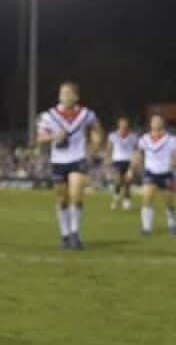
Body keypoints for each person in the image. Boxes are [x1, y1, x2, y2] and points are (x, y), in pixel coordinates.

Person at [36, 82, 102, 250]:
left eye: (68, 93)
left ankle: (75, 234)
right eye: (62, 92)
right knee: (61, 199)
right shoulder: (49, 115)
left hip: (78, 158)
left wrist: (94, 146)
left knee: (76, 195)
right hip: (58, 161)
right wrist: (53, 136)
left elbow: (96, 129)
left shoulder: (86, 114)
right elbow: (40, 137)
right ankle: (64, 236)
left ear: (76, 96)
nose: (64, 95)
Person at [130, 114, 176, 236]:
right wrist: (132, 169)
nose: (156, 123)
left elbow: (174, 155)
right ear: (150, 124)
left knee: (169, 202)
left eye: (158, 121)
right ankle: (146, 228)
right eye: (154, 121)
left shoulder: (171, 140)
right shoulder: (144, 139)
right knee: (146, 198)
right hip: (150, 172)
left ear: (163, 123)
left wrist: (173, 162)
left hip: (166, 173)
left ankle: (172, 224)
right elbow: (138, 154)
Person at [107, 116, 137, 211]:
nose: (124, 126)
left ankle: (126, 200)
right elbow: (109, 148)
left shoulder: (133, 136)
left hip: (129, 160)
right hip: (117, 160)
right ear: (119, 125)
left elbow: (136, 150)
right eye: (122, 124)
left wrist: (135, 162)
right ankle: (115, 200)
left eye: (125, 125)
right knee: (118, 180)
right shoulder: (112, 136)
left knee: (128, 182)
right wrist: (108, 159)